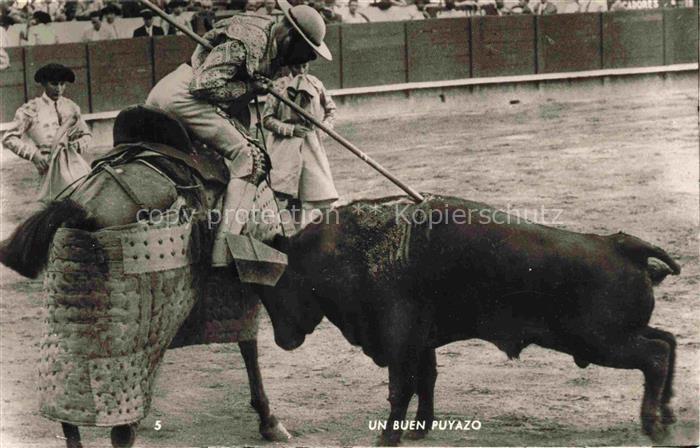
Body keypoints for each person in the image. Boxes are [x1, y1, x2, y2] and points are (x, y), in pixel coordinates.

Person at [145, 0, 332, 266]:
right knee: (252, 157)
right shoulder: (251, 39)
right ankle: (224, 251)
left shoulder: (268, 39)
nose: (300, 61)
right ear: (290, 35)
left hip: (173, 92)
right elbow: (203, 85)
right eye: (303, 51)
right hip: (183, 98)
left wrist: (251, 87)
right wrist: (250, 89)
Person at [262, 62, 338, 228]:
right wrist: (290, 129)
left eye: (305, 66)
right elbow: (266, 119)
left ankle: (327, 234)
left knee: (322, 194)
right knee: (292, 197)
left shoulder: (316, 84)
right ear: (289, 66)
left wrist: (321, 130)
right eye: (297, 67)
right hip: (286, 149)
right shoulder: (278, 86)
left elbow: (331, 110)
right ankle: (297, 234)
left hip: (312, 147)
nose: (302, 71)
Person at [2, 63, 91, 203]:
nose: (59, 89)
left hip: (76, 165)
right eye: (54, 84)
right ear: (43, 83)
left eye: (62, 84)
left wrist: (79, 144)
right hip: (49, 168)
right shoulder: (32, 108)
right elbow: (8, 138)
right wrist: (34, 155)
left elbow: (86, 134)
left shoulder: (72, 107)